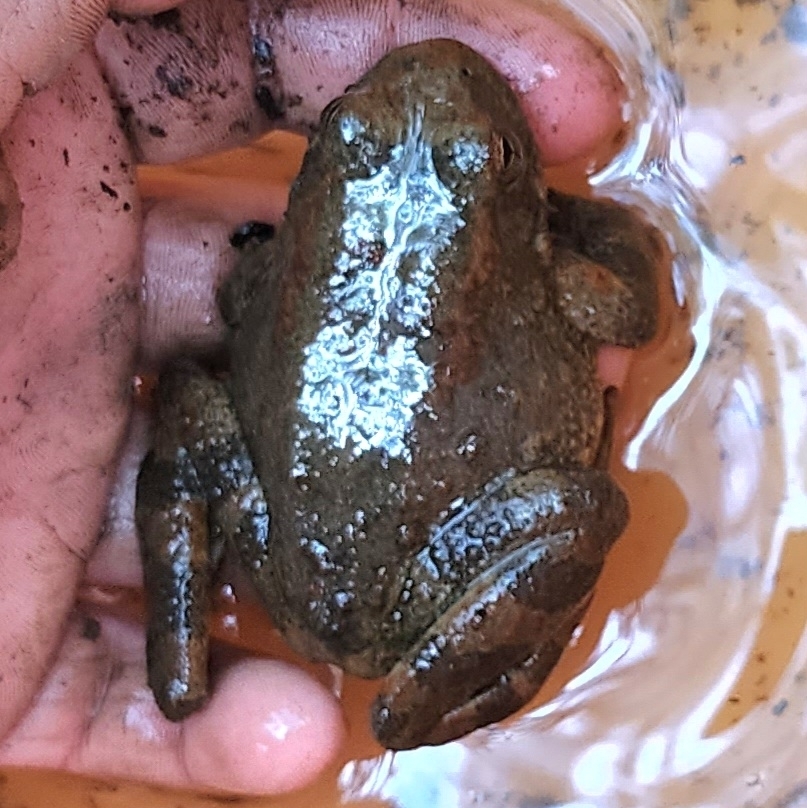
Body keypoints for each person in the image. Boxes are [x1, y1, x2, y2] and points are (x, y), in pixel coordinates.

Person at [0, 0, 626, 795]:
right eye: (350, 132)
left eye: (486, 156)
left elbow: (239, 301)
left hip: (277, 547)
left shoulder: (276, 262)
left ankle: (179, 659)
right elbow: (632, 306)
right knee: (589, 507)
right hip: (427, 580)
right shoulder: (551, 273)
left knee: (192, 393)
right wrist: (577, 224)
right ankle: (405, 703)